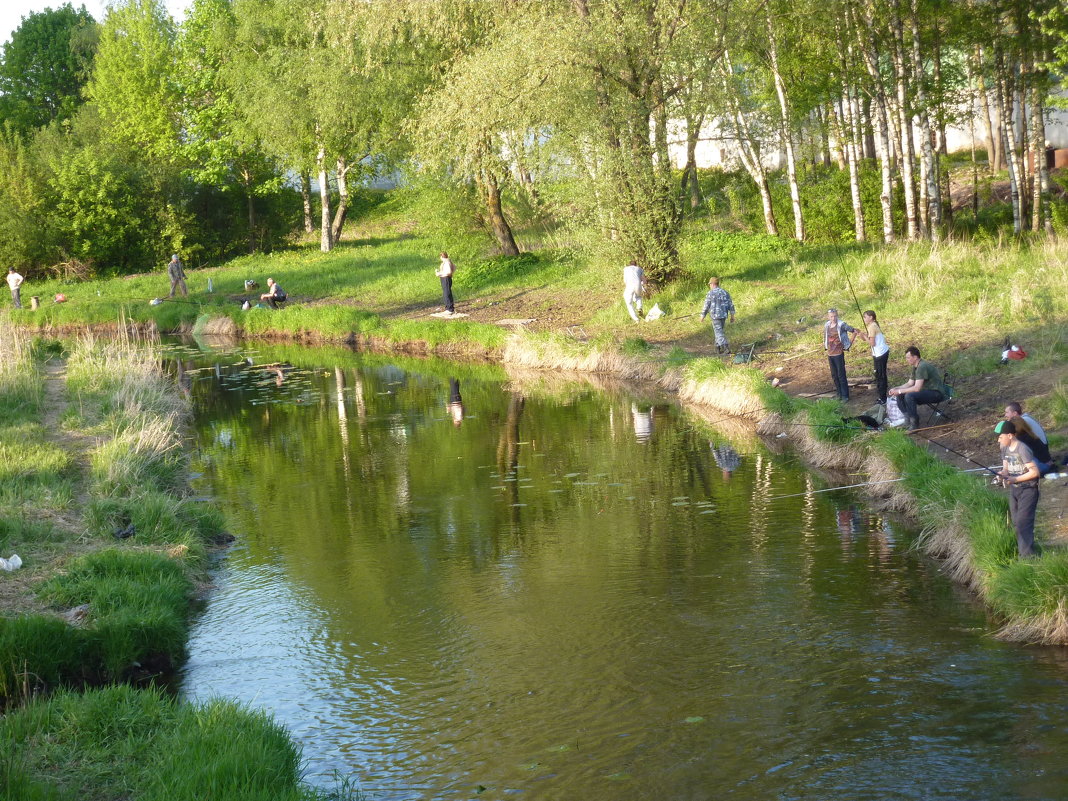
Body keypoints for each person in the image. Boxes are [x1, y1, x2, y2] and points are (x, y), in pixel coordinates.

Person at [995, 420, 1041, 558]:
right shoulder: (1004, 448)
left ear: (1010, 435)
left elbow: (1035, 473)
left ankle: (1028, 558)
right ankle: (1026, 551)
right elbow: (1005, 469)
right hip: (1015, 490)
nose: (998, 440)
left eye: (1000, 437)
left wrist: (1015, 479)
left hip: (1029, 490)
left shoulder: (1022, 449)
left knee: (1023, 523)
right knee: (1016, 522)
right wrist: (1002, 475)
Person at [888, 346, 948, 430]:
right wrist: (896, 389)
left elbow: (917, 388)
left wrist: (900, 391)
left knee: (909, 396)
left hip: (937, 393)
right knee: (900, 395)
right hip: (927, 391)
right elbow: (910, 383)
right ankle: (907, 420)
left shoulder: (922, 367)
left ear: (915, 357)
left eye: (908, 357)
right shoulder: (916, 367)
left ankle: (914, 422)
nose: (906, 359)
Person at [855, 310, 889, 405]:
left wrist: (865, 337)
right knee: (879, 374)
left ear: (871, 317)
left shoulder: (872, 327)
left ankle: (883, 398)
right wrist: (862, 335)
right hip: (879, 353)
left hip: (880, 354)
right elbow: (868, 339)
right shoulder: (872, 326)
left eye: (865, 317)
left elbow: (872, 343)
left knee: (880, 375)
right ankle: (882, 394)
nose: (864, 318)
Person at [823, 308, 858, 401]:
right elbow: (826, 336)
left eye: (835, 316)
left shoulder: (841, 324)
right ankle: (839, 394)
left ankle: (845, 395)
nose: (833, 318)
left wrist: (854, 332)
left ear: (837, 316)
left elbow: (851, 329)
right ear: (828, 317)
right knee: (834, 375)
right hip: (830, 354)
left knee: (841, 375)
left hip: (838, 353)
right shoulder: (827, 325)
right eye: (831, 316)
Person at [700, 277, 736, 354]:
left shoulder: (710, 293)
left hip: (715, 316)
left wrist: (702, 316)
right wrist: (732, 316)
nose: (709, 286)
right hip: (723, 315)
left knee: (718, 332)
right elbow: (731, 305)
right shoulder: (725, 292)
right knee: (719, 331)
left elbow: (706, 305)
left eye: (710, 284)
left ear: (712, 284)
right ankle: (717, 348)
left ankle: (726, 348)